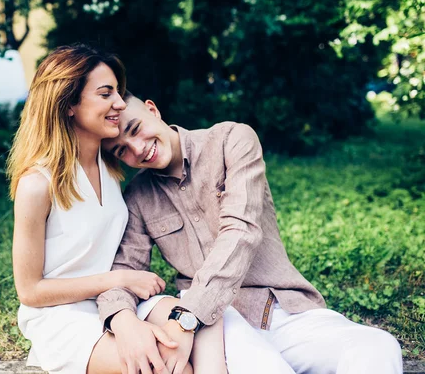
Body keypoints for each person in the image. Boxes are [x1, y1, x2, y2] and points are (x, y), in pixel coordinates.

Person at [98, 92, 404, 374]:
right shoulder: (138, 196)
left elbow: (239, 231)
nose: (138, 149)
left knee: (377, 347)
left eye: (136, 129)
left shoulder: (230, 139)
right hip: (216, 328)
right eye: (122, 150)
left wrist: (188, 318)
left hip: (280, 310)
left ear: (153, 110)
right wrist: (121, 319)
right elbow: (125, 269)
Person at [7, 45, 224, 374]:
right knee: (164, 367)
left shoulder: (110, 166)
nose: (120, 104)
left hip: (116, 300)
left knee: (198, 318)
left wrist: (121, 304)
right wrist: (119, 278)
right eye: (106, 94)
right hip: (61, 316)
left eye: (118, 93)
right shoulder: (37, 184)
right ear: (68, 104)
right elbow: (30, 291)